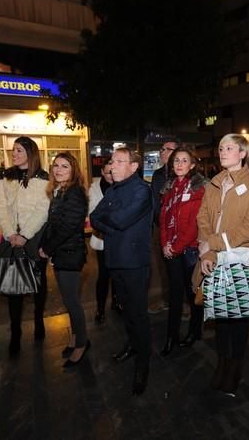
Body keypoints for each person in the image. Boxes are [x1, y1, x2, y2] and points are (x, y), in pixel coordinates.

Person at [196, 134, 249, 397]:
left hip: (240, 261)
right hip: (213, 257)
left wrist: (212, 243)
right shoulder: (214, 184)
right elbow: (203, 217)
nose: (222, 151)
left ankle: (235, 367)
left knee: (237, 317)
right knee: (219, 315)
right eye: (220, 147)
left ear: (242, 153)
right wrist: (206, 250)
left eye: (229, 148)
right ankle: (222, 363)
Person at [90, 148, 153, 396]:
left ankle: (143, 363)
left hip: (134, 263)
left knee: (138, 314)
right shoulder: (114, 188)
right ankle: (133, 345)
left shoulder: (141, 190)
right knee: (126, 312)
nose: (112, 166)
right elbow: (95, 217)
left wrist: (108, 223)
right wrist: (109, 222)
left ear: (134, 167)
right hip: (114, 258)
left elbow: (119, 220)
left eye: (118, 162)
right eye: (111, 162)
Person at [0, 136, 50, 356]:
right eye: (13, 150)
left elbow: (42, 210)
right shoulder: (5, 177)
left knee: (38, 282)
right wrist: (10, 233)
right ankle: (15, 331)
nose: (14, 154)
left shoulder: (44, 178)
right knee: (13, 286)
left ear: (30, 152)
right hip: (10, 239)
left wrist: (25, 235)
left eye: (19, 150)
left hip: (34, 238)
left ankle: (38, 319)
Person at [39, 152, 90, 367]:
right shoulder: (59, 191)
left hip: (70, 253)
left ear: (73, 171)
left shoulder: (75, 192)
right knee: (69, 301)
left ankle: (82, 344)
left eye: (64, 167)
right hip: (61, 253)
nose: (58, 170)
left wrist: (47, 248)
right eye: (56, 166)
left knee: (72, 302)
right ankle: (74, 337)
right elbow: (52, 224)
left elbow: (68, 227)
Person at [159, 147, 207, 357]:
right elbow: (162, 220)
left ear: (192, 165)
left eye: (184, 160)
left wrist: (176, 247)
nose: (179, 164)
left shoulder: (199, 189)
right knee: (175, 295)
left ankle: (195, 331)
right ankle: (171, 336)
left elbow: (195, 225)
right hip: (170, 249)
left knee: (192, 293)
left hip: (189, 250)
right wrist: (164, 244)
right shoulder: (169, 188)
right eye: (176, 160)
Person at [148, 139, 179, 313]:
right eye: (162, 149)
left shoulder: (183, 173)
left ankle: (184, 305)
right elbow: (155, 202)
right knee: (162, 268)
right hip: (160, 228)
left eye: (168, 149)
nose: (163, 152)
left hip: (178, 229)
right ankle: (167, 301)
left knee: (179, 268)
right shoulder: (158, 174)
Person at [88, 159, 120, 324]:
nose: (111, 175)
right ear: (101, 172)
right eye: (108, 172)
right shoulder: (94, 188)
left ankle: (116, 301)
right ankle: (100, 308)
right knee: (103, 274)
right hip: (101, 239)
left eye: (113, 171)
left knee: (117, 273)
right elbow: (94, 213)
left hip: (119, 239)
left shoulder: (121, 185)